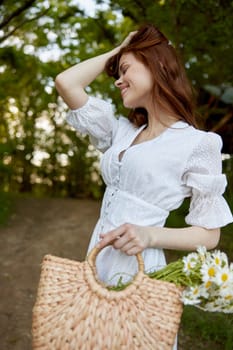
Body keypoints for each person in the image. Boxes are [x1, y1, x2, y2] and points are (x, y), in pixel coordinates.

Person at [55, 24, 233, 287]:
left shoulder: (197, 143)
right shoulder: (122, 133)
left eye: (125, 69)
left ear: (157, 64)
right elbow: (66, 83)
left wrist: (149, 236)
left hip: (139, 270)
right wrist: (119, 51)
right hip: (97, 259)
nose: (117, 80)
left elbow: (209, 235)